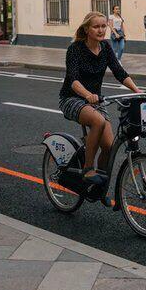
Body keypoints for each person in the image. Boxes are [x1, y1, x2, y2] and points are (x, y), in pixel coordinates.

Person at [59, 11, 141, 185]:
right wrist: (87, 94)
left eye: (103, 26)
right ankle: (88, 169)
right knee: (98, 121)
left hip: (96, 101)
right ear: (87, 29)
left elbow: (119, 72)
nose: (101, 30)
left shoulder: (105, 47)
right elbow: (73, 80)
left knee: (109, 147)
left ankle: (100, 185)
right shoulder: (75, 49)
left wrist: (137, 90)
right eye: (96, 26)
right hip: (72, 98)